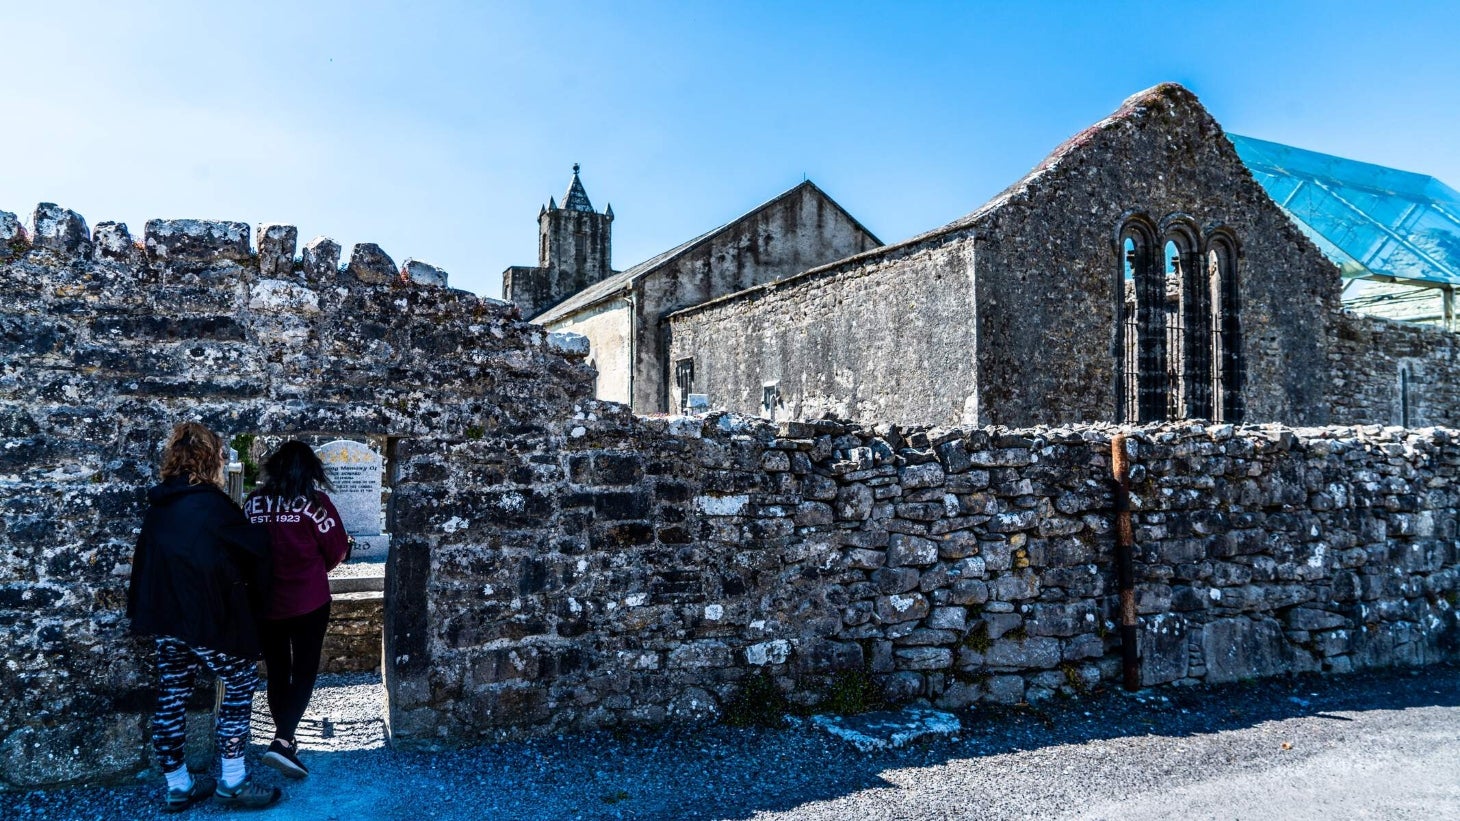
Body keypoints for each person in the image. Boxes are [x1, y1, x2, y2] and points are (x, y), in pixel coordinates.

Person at [127, 421, 282, 812]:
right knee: (240, 682)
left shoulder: (159, 508)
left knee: (172, 695)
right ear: (212, 458)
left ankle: (177, 784)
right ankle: (233, 779)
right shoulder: (212, 507)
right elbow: (254, 554)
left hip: (167, 620)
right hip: (209, 620)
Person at [243, 441, 351, 780]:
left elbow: (244, 547)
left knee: (277, 670)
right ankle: (284, 740)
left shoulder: (253, 503)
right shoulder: (315, 504)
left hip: (266, 601)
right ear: (310, 470)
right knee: (304, 671)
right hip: (308, 600)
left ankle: (284, 740)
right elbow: (335, 551)